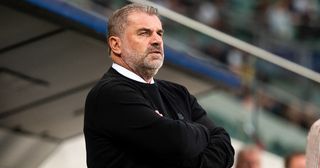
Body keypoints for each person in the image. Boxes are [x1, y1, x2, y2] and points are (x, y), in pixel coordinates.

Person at [84, 3, 234, 168]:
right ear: (116, 45)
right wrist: (204, 133)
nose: (156, 41)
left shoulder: (179, 93)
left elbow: (226, 148)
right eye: (144, 33)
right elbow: (178, 143)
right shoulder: (110, 94)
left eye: (159, 33)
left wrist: (184, 138)